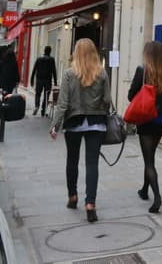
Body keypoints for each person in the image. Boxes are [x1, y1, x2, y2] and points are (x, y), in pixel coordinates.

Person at [50, 39, 111, 223]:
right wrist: (99, 108)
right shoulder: (101, 73)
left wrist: (55, 125)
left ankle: (72, 196)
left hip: (74, 122)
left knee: (72, 160)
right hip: (96, 122)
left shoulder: (69, 74)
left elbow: (63, 102)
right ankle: (90, 204)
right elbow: (107, 99)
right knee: (92, 164)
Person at [128, 41, 162, 213]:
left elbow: (130, 95)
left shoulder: (143, 70)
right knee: (151, 157)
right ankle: (144, 190)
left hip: (147, 120)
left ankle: (157, 197)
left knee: (149, 161)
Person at [30, 46, 58, 117]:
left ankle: (37, 105)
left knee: (38, 93)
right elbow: (54, 71)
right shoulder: (52, 59)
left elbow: (34, 70)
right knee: (46, 95)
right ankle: (43, 110)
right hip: (48, 80)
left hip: (39, 80)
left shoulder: (39, 59)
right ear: (50, 52)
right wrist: (55, 82)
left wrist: (32, 80)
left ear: (44, 51)